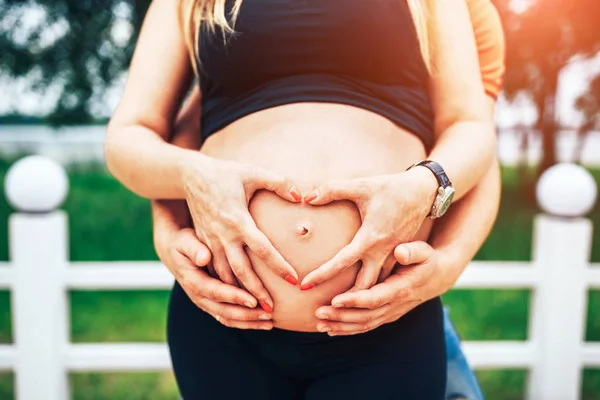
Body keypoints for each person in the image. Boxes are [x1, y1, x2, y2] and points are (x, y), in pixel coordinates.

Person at [105, 0, 498, 398]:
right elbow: (133, 136)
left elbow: (472, 127)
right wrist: (190, 180)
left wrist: (424, 187)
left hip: (386, 321)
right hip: (225, 321)